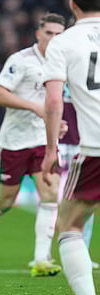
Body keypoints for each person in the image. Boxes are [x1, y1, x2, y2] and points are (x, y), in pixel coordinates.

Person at [0, 13, 66, 277]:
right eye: (49, 33)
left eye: (59, 34)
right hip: (15, 141)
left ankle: (41, 258)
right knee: (6, 200)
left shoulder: (64, 61)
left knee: (50, 193)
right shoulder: (21, 60)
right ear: (38, 34)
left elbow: (59, 101)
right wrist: (36, 108)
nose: (54, 38)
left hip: (44, 140)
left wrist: (59, 123)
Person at [41, 1, 100, 295]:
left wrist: (51, 149)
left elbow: (53, 100)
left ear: (72, 5)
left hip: (95, 149)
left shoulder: (64, 42)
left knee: (69, 225)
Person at [57, 84, 98, 269]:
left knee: (86, 199)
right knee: (49, 200)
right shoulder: (55, 69)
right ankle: (42, 254)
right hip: (55, 140)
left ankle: (83, 253)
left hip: (82, 142)